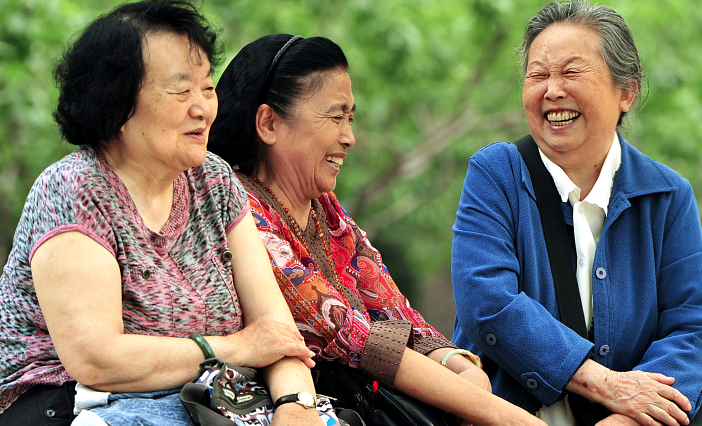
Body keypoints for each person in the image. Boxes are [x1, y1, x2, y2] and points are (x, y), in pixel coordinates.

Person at [0, 2, 324, 425]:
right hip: (70, 403)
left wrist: (297, 405)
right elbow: (96, 360)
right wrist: (236, 348)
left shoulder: (213, 181)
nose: (202, 108)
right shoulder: (74, 189)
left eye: (207, 88)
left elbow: (274, 332)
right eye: (181, 92)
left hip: (208, 398)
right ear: (118, 104)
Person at [208, 34, 546, 426]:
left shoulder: (327, 211)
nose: (349, 137)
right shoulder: (238, 207)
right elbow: (353, 334)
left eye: (350, 118)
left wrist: (461, 365)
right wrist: (503, 415)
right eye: (335, 117)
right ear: (269, 123)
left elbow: (393, 309)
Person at [450, 1, 702, 426]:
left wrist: (633, 417)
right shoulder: (495, 174)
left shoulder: (669, 195)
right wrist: (609, 386)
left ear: (626, 93)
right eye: (538, 75)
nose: (552, 91)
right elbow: (488, 303)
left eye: (572, 73)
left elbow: (694, 325)